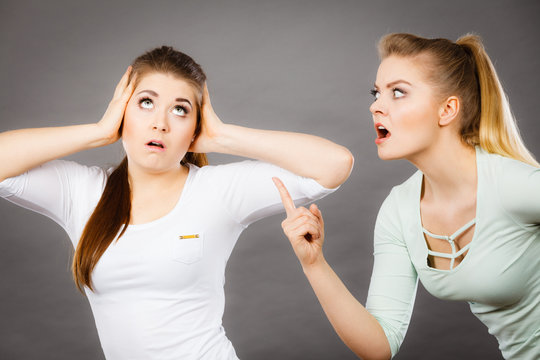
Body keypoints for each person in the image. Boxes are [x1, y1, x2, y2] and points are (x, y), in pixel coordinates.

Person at [0, 46, 353, 359]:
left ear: (196, 127)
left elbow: (335, 165)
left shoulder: (217, 191)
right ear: (123, 110)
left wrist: (223, 137)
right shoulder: (82, 191)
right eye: (146, 103)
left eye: (180, 110)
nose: (160, 124)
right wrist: (99, 131)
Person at [273, 33, 539, 360]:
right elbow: (380, 344)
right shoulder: (399, 210)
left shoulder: (513, 185)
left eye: (398, 92)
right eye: (376, 92)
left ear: (447, 109)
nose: (375, 105)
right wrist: (314, 264)